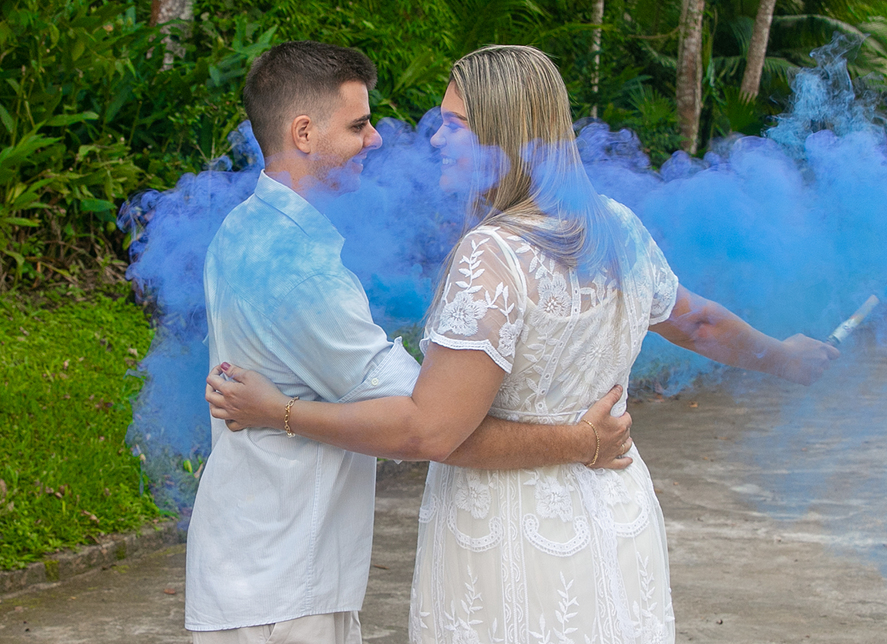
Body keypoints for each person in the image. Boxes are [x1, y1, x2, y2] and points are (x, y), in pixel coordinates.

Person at [205, 45, 839, 643]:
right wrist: (782, 357)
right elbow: (698, 322)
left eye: (454, 124)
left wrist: (279, 413)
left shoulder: (492, 251)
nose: (433, 137)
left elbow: (429, 430)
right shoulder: (616, 224)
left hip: (507, 524)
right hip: (615, 510)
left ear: (500, 134)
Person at [186, 41, 634, 644]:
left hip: (265, 567)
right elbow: (427, 429)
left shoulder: (247, 231)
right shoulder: (297, 271)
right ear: (303, 132)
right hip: (285, 585)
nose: (376, 139)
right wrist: (581, 440)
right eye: (358, 124)